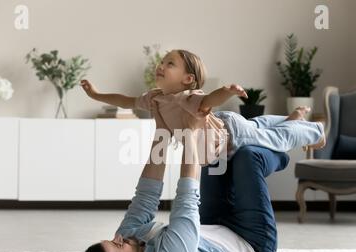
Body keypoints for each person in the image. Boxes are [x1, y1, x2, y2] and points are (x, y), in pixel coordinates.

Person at [77, 106, 290, 252]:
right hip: (250, 245)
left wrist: (161, 129)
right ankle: (283, 150)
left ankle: (284, 125)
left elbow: (146, 194)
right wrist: (191, 133)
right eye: (117, 245)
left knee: (216, 152)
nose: (118, 237)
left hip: (210, 228)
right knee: (247, 157)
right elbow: (186, 198)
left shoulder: (127, 238)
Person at [81, 49, 325, 167]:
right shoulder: (155, 97)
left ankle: (315, 131)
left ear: (187, 79)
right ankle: (292, 117)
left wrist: (227, 91)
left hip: (232, 134)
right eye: (162, 61)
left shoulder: (186, 98)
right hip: (227, 123)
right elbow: (125, 100)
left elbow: (209, 100)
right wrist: (96, 94)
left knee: (275, 138)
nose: (161, 65)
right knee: (259, 124)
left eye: (170, 64)